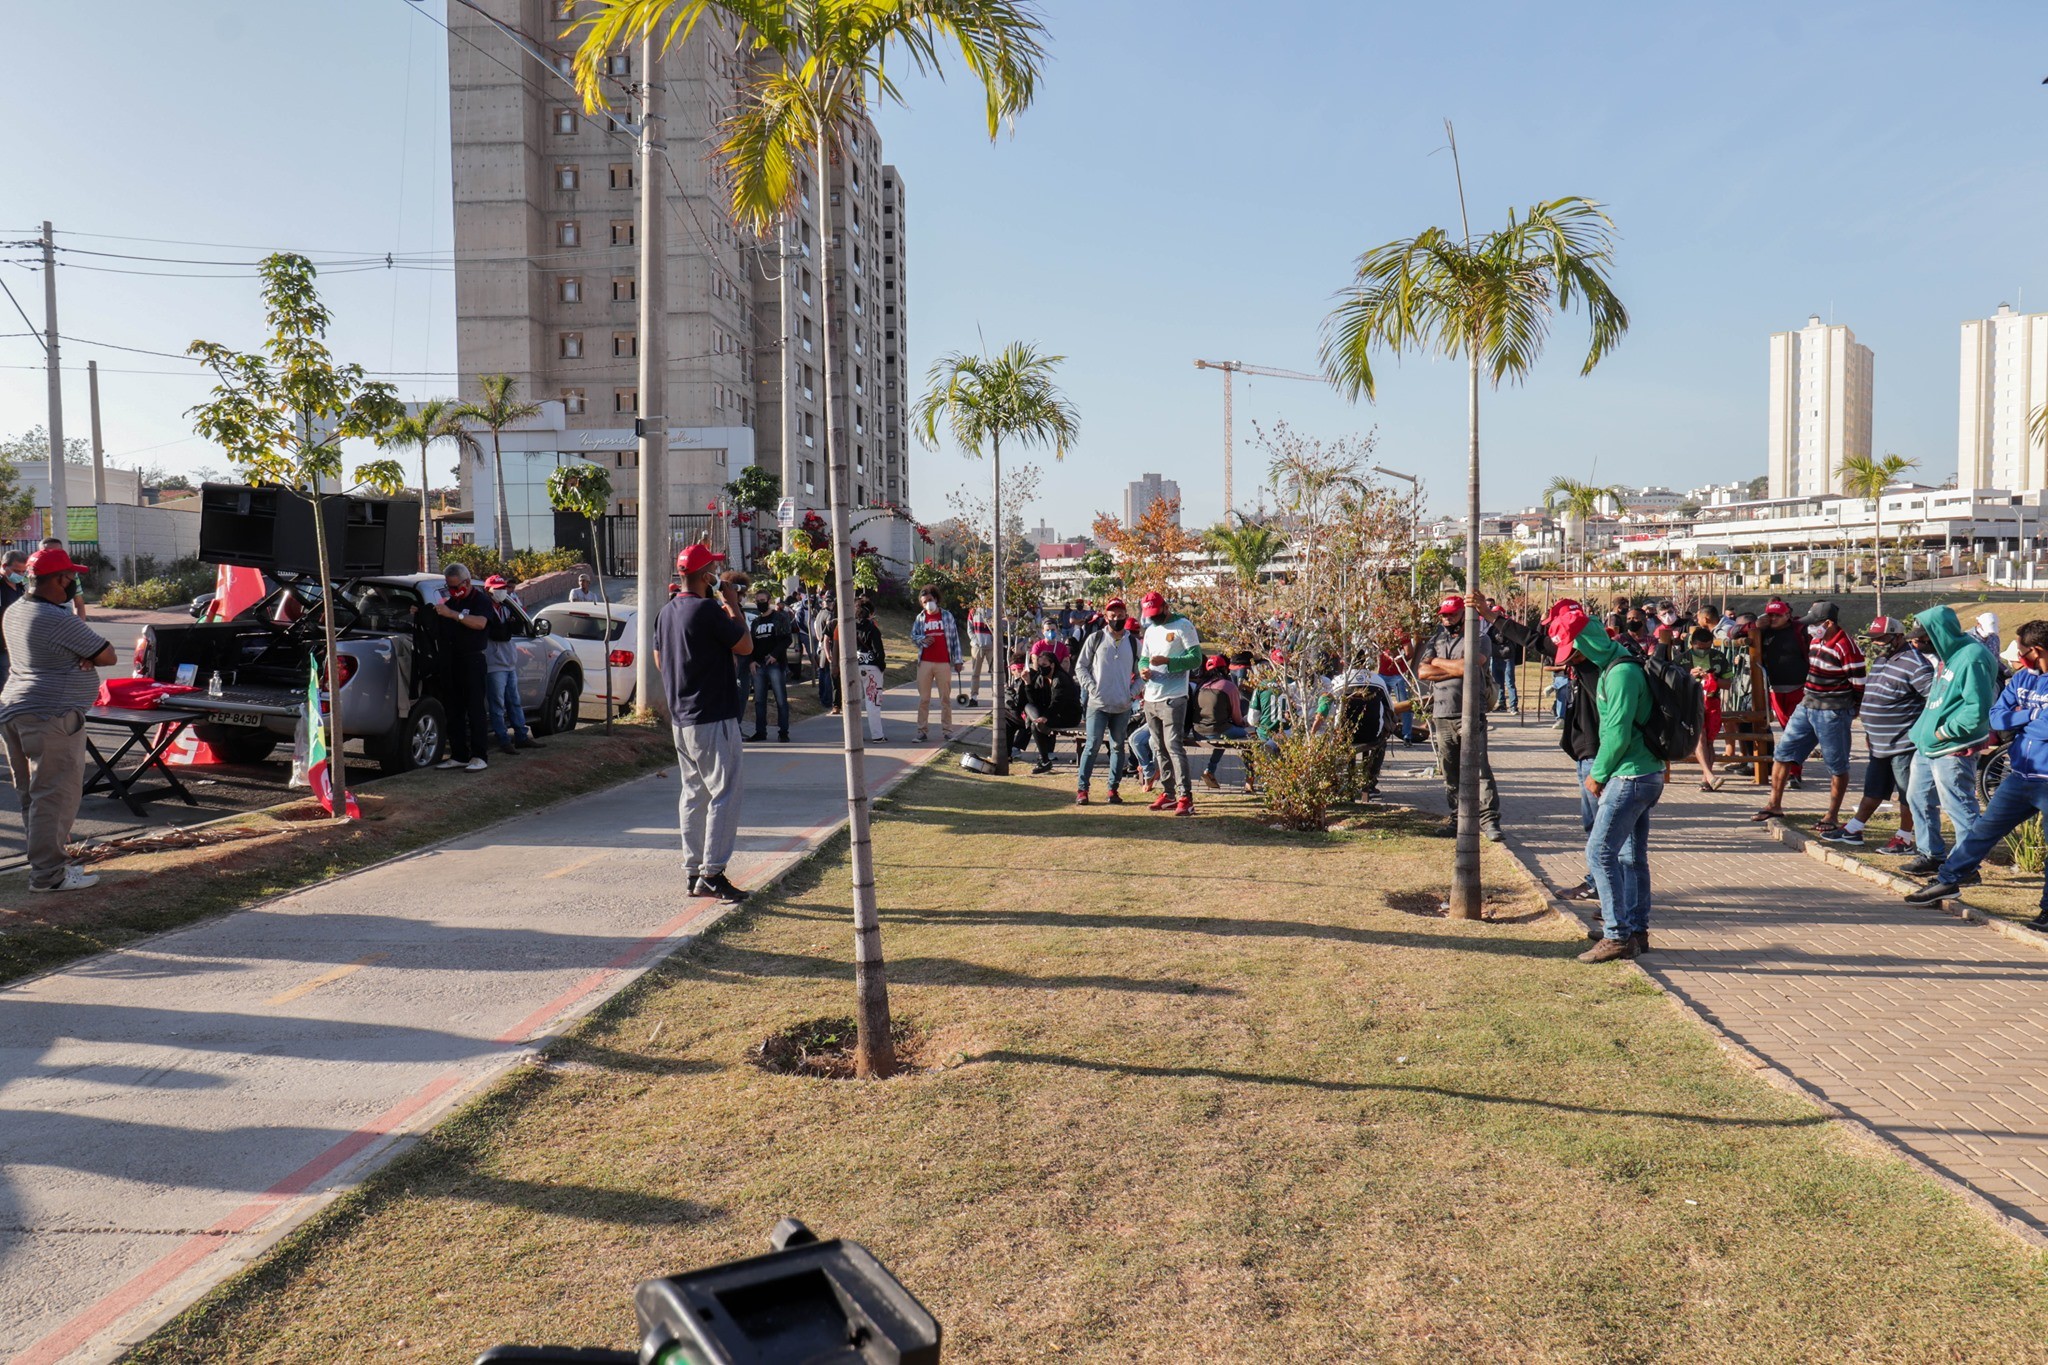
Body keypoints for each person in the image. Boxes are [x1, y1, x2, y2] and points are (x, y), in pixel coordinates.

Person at [1907, 619, 2048, 922]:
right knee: (1982, 832)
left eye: (2022, 650)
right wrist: (2032, 717)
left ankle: (2047, 912)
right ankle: (1948, 881)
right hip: (2021, 775)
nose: (2018, 656)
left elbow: (2042, 727)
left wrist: (2024, 716)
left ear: (2036, 651)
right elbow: (1996, 717)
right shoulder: (2024, 678)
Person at [0, 546, 114, 892]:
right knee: (55, 796)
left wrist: (83, 658)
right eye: (71, 577)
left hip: (16, 710)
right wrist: (88, 659)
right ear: (58, 580)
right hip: (51, 715)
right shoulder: (57, 618)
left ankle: (43, 867)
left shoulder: (15, 609)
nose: (73, 584)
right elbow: (107, 654)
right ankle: (49, 876)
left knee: (32, 796)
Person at [1555, 607, 1664, 962]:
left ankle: (1617, 935)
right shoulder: (1616, 665)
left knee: (1599, 852)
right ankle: (1635, 931)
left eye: (1576, 647)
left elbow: (1616, 735)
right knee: (1631, 858)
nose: (1573, 657)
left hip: (1630, 775)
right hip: (1643, 774)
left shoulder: (1620, 674)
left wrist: (1597, 774)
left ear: (1587, 642)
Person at [652, 542, 753, 905]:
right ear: (706, 575)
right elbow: (744, 647)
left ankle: (694, 871)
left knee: (693, 792)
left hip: (683, 718)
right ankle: (712, 872)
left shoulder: (667, 612)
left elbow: (659, 658)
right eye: (713, 571)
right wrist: (733, 603)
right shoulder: (710, 609)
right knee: (726, 792)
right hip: (713, 716)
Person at [1749, 601, 1863, 827]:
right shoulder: (1816, 640)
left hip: (1832, 710)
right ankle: (1774, 805)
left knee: (1836, 765)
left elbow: (1859, 684)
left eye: (1815, 624)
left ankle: (1831, 815)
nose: (1811, 628)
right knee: (1783, 753)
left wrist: (1850, 710)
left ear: (1829, 623)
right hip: (1807, 703)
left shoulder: (1845, 646)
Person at [1902, 606, 1996, 876]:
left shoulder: (1972, 657)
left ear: (1937, 634)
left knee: (1959, 805)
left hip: (1953, 747)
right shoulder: (1947, 655)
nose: (1915, 643)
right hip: (1928, 745)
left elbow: (1976, 708)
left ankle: (1966, 866)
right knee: (1917, 797)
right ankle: (1930, 854)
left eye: (1920, 638)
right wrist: (1923, 732)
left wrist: (1944, 732)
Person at [1822, 616, 1926, 853]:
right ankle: (1854, 829)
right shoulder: (1881, 660)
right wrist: (1870, 730)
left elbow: (1931, 700)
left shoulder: (1916, 664)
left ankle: (1904, 837)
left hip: (1904, 743)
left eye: (1882, 639)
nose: (1877, 643)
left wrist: (1919, 733)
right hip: (1879, 742)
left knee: (1907, 793)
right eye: (1874, 640)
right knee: (1874, 788)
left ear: (1898, 636)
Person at [1417, 595, 1502, 841]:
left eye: (1451, 614)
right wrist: (1454, 667)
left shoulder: (1479, 638)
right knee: (1449, 771)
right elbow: (1422, 671)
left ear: (1464, 615)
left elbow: (1472, 666)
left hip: (1470, 712)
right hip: (1442, 713)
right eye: (1443, 615)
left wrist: (1437, 663)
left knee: (1480, 768)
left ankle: (1490, 822)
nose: (1446, 618)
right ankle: (1458, 819)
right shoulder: (1437, 639)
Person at [1540, 600, 1606, 906]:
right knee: (1595, 827)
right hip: (1587, 754)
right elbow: (1539, 642)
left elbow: (1617, 728)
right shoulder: (1584, 661)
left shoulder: (1600, 668)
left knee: (1603, 832)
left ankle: (1605, 892)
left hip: (1598, 759)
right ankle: (1605, 891)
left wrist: (1601, 771)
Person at [1137, 590, 1201, 816]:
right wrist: (1143, 670)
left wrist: (1169, 662)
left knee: (1173, 746)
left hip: (1174, 697)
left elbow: (1196, 659)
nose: (1152, 617)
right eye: (1149, 614)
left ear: (1165, 607)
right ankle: (1168, 793)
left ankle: (1186, 797)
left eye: (1155, 612)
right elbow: (1144, 657)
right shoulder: (1151, 629)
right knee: (1158, 747)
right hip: (1151, 696)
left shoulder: (1183, 625)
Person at [431, 562, 495, 772]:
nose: (452, 590)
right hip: (453, 661)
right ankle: (459, 754)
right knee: (454, 709)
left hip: (473, 660)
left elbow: (480, 623)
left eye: (455, 586)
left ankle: (479, 755)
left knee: (475, 708)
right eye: (448, 586)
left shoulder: (480, 600)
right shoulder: (453, 601)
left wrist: (454, 615)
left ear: (466, 582)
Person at [1074, 597, 1138, 804]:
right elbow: (1080, 666)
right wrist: (1092, 688)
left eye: (1120, 615)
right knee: (1092, 745)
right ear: (1105, 616)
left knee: (1118, 746)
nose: (1116, 619)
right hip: (1098, 704)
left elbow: (1143, 673)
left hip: (1122, 706)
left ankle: (1113, 789)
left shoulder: (1133, 643)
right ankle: (1082, 789)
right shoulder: (1096, 638)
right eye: (1112, 615)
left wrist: (1132, 692)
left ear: (1126, 616)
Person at [481, 575, 540, 755]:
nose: (501, 592)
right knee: (497, 704)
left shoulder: (505, 607)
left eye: (503, 588)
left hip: (508, 661)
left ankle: (521, 736)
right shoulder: (485, 609)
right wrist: (506, 627)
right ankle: (503, 739)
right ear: (487, 590)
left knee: (514, 701)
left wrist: (506, 626)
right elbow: (499, 633)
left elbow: (513, 628)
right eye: (496, 589)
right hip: (494, 663)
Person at [1008, 642, 1080, 774]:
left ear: (1052, 665)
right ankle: (1038, 726)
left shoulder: (1060, 679)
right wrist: (1028, 683)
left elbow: (1057, 703)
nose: (1041, 668)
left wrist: (1045, 717)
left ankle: (1045, 760)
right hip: (1051, 713)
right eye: (1040, 665)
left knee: (1035, 724)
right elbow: (1034, 701)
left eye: (1045, 665)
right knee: (1030, 710)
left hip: (1067, 716)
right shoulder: (1041, 678)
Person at [1757, 598, 1808, 784]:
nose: (1774, 618)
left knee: (1794, 731)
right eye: (1770, 615)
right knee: (1787, 730)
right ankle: (1791, 770)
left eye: (1778, 615)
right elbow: (1737, 632)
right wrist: (1757, 625)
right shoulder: (1763, 631)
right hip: (1774, 689)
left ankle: (1795, 772)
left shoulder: (1799, 630)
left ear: (1787, 615)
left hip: (1799, 688)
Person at [741, 587, 794, 742]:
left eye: (762, 601)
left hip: (775, 664)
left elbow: (787, 638)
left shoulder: (779, 618)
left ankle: (783, 732)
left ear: (769, 601)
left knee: (781, 699)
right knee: (759, 701)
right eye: (757, 601)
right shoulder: (756, 622)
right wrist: (751, 661)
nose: (760, 604)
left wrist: (775, 655)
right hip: (758, 666)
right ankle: (760, 731)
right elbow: (751, 643)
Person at [909, 587, 960, 744]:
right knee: (924, 699)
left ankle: (948, 731)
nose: (928, 604)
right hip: (925, 662)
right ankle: (921, 731)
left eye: (930, 600)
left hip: (943, 662)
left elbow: (955, 638)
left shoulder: (946, 616)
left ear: (936, 599)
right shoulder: (920, 618)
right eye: (924, 602)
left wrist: (958, 660)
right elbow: (913, 636)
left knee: (945, 698)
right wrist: (923, 639)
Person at [1685, 626, 1732, 791]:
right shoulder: (1682, 660)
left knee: (1710, 741)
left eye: (1707, 648)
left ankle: (1707, 779)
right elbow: (1673, 685)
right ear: (1692, 644)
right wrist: (1689, 676)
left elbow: (1728, 684)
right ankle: (1709, 775)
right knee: (1700, 737)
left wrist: (1711, 678)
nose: (1703, 651)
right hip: (1691, 702)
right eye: (1699, 648)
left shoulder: (1719, 658)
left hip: (1712, 702)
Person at [1195, 653, 1250, 790]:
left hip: (1198, 732)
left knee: (1223, 740)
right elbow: (1237, 716)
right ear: (1224, 669)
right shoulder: (1228, 686)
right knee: (1248, 737)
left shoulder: (1200, 686)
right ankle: (1250, 777)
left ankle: (1210, 771)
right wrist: (1244, 725)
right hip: (1218, 730)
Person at [843, 599, 888, 742]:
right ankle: (877, 735)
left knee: (853, 703)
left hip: (853, 667)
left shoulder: (849, 628)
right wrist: (881, 666)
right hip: (872, 668)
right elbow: (879, 652)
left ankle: (853, 736)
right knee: (873, 702)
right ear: (871, 613)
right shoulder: (872, 629)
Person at [39, 538, 87, 618]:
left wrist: (80, 625)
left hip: (66, 621)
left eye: (57, 552)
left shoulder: (71, 574)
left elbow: (79, 603)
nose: (53, 556)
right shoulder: (31, 574)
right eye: (48, 552)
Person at [0, 549, 27, 680]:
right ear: (4, 566)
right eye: (17, 571)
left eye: (23, 571)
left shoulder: (21, 587)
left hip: (16, 646)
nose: (21, 574)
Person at [811, 593, 839, 715]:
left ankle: (822, 697)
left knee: (822, 673)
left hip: (820, 646)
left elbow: (817, 633)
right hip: (827, 646)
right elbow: (828, 632)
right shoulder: (829, 615)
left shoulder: (818, 615)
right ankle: (827, 700)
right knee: (828, 674)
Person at [963, 605, 994, 707]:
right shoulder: (973, 611)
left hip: (992, 647)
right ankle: (974, 697)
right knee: (975, 673)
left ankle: (996, 697)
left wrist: (994, 641)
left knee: (995, 673)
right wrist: (975, 641)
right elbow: (970, 629)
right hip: (977, 646)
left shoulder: (995, 610)